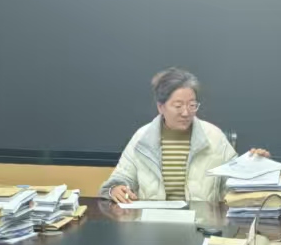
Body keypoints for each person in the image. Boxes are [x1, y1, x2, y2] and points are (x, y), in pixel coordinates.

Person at [101, 68, 265, 205]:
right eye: (178, 105)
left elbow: (234, 184)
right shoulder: (142, 138)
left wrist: (255, 167)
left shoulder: (214, 136)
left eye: (192, 105)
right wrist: (115, 189)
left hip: (201, 223)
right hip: (152, 224)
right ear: (161, 107)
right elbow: (120, 179)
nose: (186, 112)